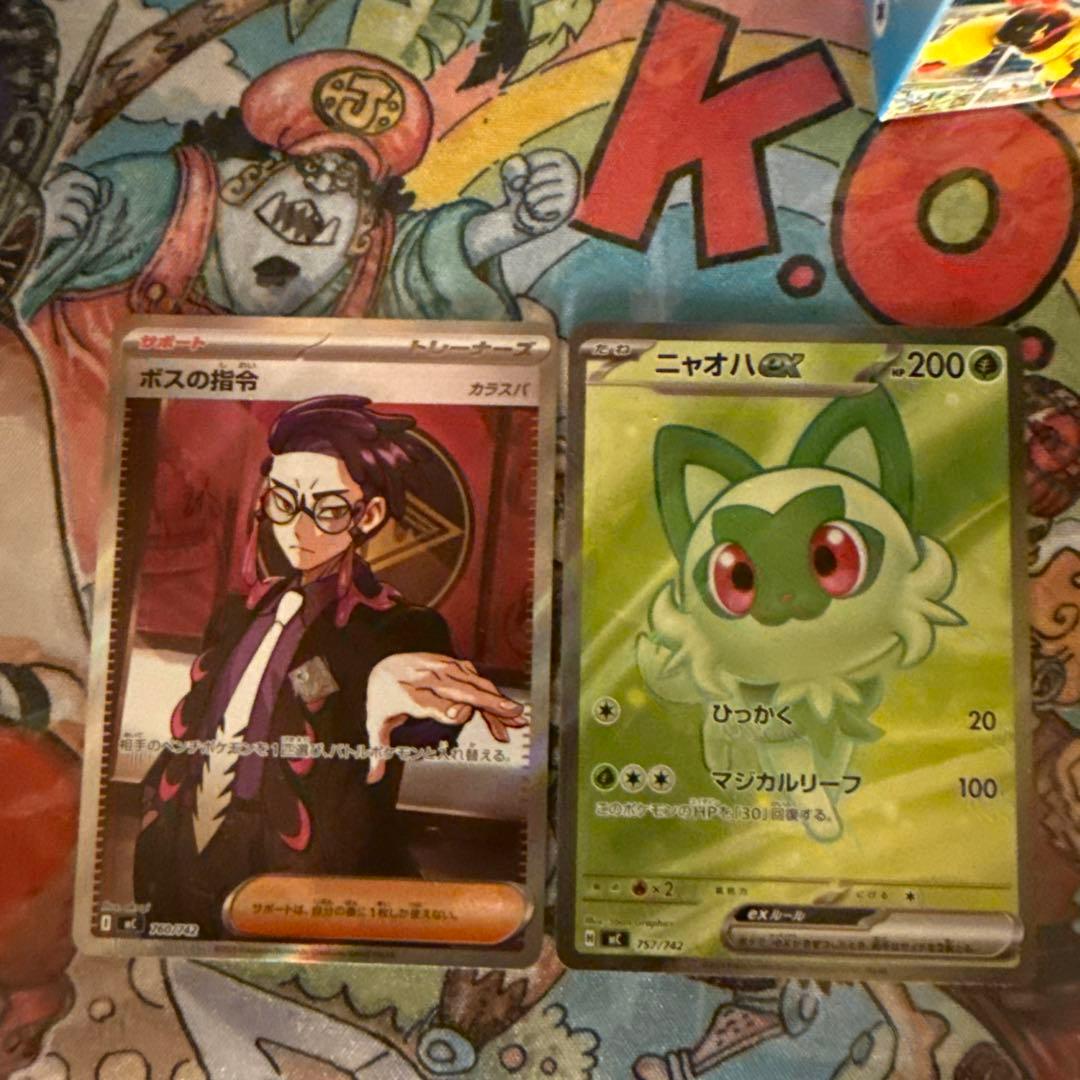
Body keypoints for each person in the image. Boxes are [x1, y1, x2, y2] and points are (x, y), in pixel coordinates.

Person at [17, 48, 581, 584]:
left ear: (362, 237)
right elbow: (40, 244)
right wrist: (36, 223)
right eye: (308, 176)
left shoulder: (366, 274)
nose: (315, 206)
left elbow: (425, 259)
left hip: (183, 575)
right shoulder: (163, 200)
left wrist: (507, 226)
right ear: (244, 178)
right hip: (33, 512)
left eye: (345, 194)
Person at [133, 395, 526, 935]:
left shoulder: (395, 629)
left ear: (370, 515)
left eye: (329, 509)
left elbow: (420, 718)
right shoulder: (235, 616)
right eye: (284, 502)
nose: (301, 527)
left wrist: (386, 698)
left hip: (305, 880)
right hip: (186, 856)